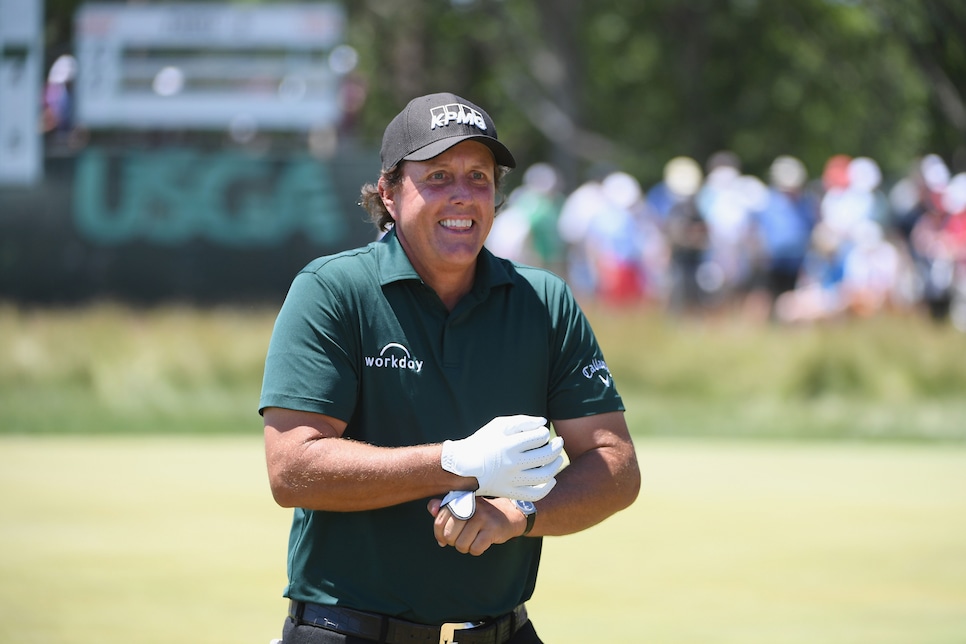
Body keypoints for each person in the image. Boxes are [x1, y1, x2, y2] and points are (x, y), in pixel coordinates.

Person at [260, 92, 641, 644]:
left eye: (479, 177)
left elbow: (616, 466)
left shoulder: (543, 301)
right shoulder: (331, 290)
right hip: (347, 632)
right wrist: (456, 462)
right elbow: (292, 468)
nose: (463, 196)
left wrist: (518, 514)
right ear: (389, 193)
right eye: (437, 176)